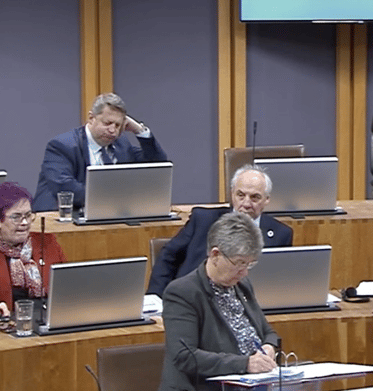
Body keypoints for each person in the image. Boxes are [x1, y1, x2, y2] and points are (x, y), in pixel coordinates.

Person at [160, 212, 278, 391]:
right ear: (215, 255)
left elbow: (268, 332)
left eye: (249, 264)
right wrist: (245, 364)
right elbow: (185, 356)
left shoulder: (242, 285)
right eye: (239, 263)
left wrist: (269, 347)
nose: (244, 272)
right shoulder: (182, 293)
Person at [147, 164, 292, 297]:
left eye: (255, 197)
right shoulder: (203, 220)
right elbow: (168, 257)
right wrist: (155, 298)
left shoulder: (281, 234)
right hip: (194, 296)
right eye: (240, 195)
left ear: (267, 200)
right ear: (232, 193)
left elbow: (280, 281)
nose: (246, 203)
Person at [32, 92, 168, 211]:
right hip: (62, 219)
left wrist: (139, 130)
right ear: (91, 118)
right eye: (107, 123)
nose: (112, 130)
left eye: (117, 125)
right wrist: (114, 201)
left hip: (106, 218)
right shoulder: (62, 145)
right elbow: (65, 188)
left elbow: (158, 164)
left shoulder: (121, 145)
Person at [0, 182, 66, 317]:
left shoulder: (47, 243)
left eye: (28, 215)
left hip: (48, 318)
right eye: (16, 217)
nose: (24, 223)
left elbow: (68, 286)